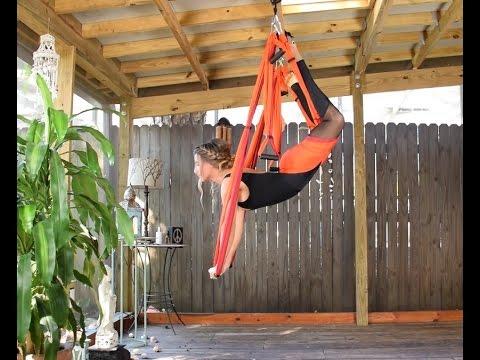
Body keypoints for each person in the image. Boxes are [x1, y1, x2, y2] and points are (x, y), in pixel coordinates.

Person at [193, 36, 345, 278]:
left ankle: (296, 63)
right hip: (289, 171)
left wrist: (223, 263)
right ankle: (292, 72)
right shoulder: (234, 177)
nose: (195, 170)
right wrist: (226, 260)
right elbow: (236, 225)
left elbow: (230, 228)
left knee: (334, 121)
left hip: (293, 173)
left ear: (210, 163)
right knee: (324, 122)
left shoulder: (229, 183)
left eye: (197, 164)